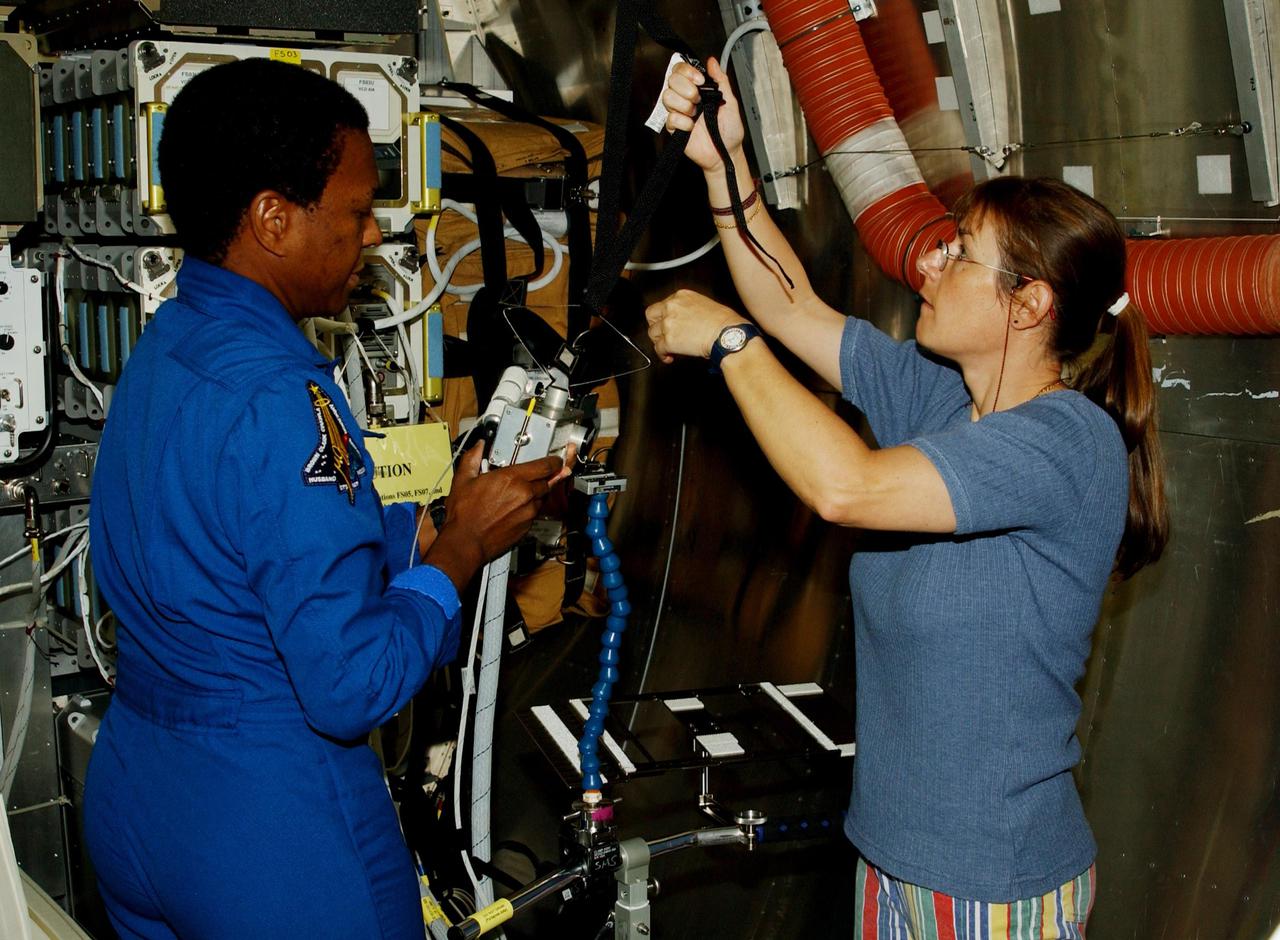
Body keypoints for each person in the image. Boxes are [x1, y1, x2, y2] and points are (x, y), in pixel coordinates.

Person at [648, 58, 1168, 937]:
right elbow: (792, 307)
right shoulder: (938, 396)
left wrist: (728, 344)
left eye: (964, 254)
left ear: (1028, 304)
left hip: (995, 883)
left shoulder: (1066, 443)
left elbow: (844, 487)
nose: (933, 258)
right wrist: (723, 162)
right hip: (893, 860)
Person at [84, 59, 564, 940]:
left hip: (139, 791)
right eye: (353, 212)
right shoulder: (283, 397)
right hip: (266, 829)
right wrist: (460, 549)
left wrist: (400, 538)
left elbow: (226, 551)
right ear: (273, 219)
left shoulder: (169, 347)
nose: (375, 234)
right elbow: (349, 686)